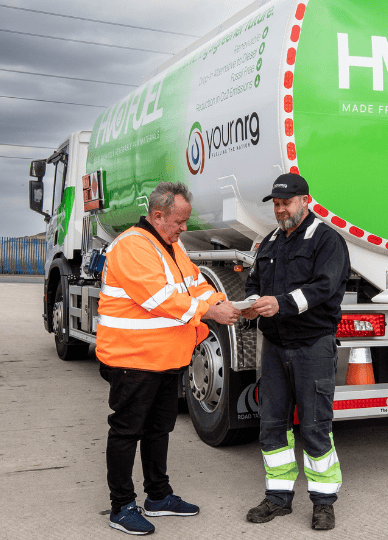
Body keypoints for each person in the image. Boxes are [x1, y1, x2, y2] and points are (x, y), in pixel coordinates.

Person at [96, 181, 240, 535]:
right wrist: (210, 312)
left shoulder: (171, 246)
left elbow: (195, 283)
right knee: (127, 430)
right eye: (179, 222)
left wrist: (218, 300)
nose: (184, 228)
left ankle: (158, 497)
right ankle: (122, 506)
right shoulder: (132, 246)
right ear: (158, 216)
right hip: (134, 359)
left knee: (159, 429)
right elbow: (161, 300)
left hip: (165, 357)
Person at [242, 173, 351, 531]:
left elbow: (324, 287)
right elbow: (254, 283)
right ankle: (277, 498)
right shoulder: (270, 241)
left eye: (286, 202)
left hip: (312, 345)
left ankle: (323, 503)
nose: (280, 209)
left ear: (305, 200)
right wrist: (252, 303)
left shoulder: (326, 240)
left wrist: (282, 304)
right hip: (274, 347)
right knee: (272, 424)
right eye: (275, 204)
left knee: (316, 426)